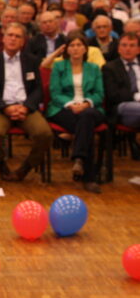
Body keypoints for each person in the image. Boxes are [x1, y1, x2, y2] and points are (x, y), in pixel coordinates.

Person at [0, 23, 52, 182]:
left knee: (44, 134)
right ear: (4, 38)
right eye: (10, 35)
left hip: (25, 108)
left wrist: (26, 107)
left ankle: (25, 168)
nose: (13, 39)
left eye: (17, 36)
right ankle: (1, 165)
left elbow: (38, 89)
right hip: (0, 108)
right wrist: (5, 107)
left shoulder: (32, 61)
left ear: (23, 42)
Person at [46, 32, 105, 193]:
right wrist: (71, 104)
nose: (76, 48)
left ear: (85, 49)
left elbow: (99, 93)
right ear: (67, 49)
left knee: (86, 117)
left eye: (79, 45)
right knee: (86, 127)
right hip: (63, 108)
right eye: (72, 45)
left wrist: (86, 104)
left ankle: (79, 157)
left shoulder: (93, 68)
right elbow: (55, 92)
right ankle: (89, 177)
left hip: (90, 108)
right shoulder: (59, 66)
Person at [102, 32, 140, 132]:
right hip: (122, 108)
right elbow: (113, 95)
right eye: (124, 45)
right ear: (119, 49)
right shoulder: (110, 68)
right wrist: (136, 96)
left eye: (132, 45)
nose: (127, 49)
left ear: (138, 49)